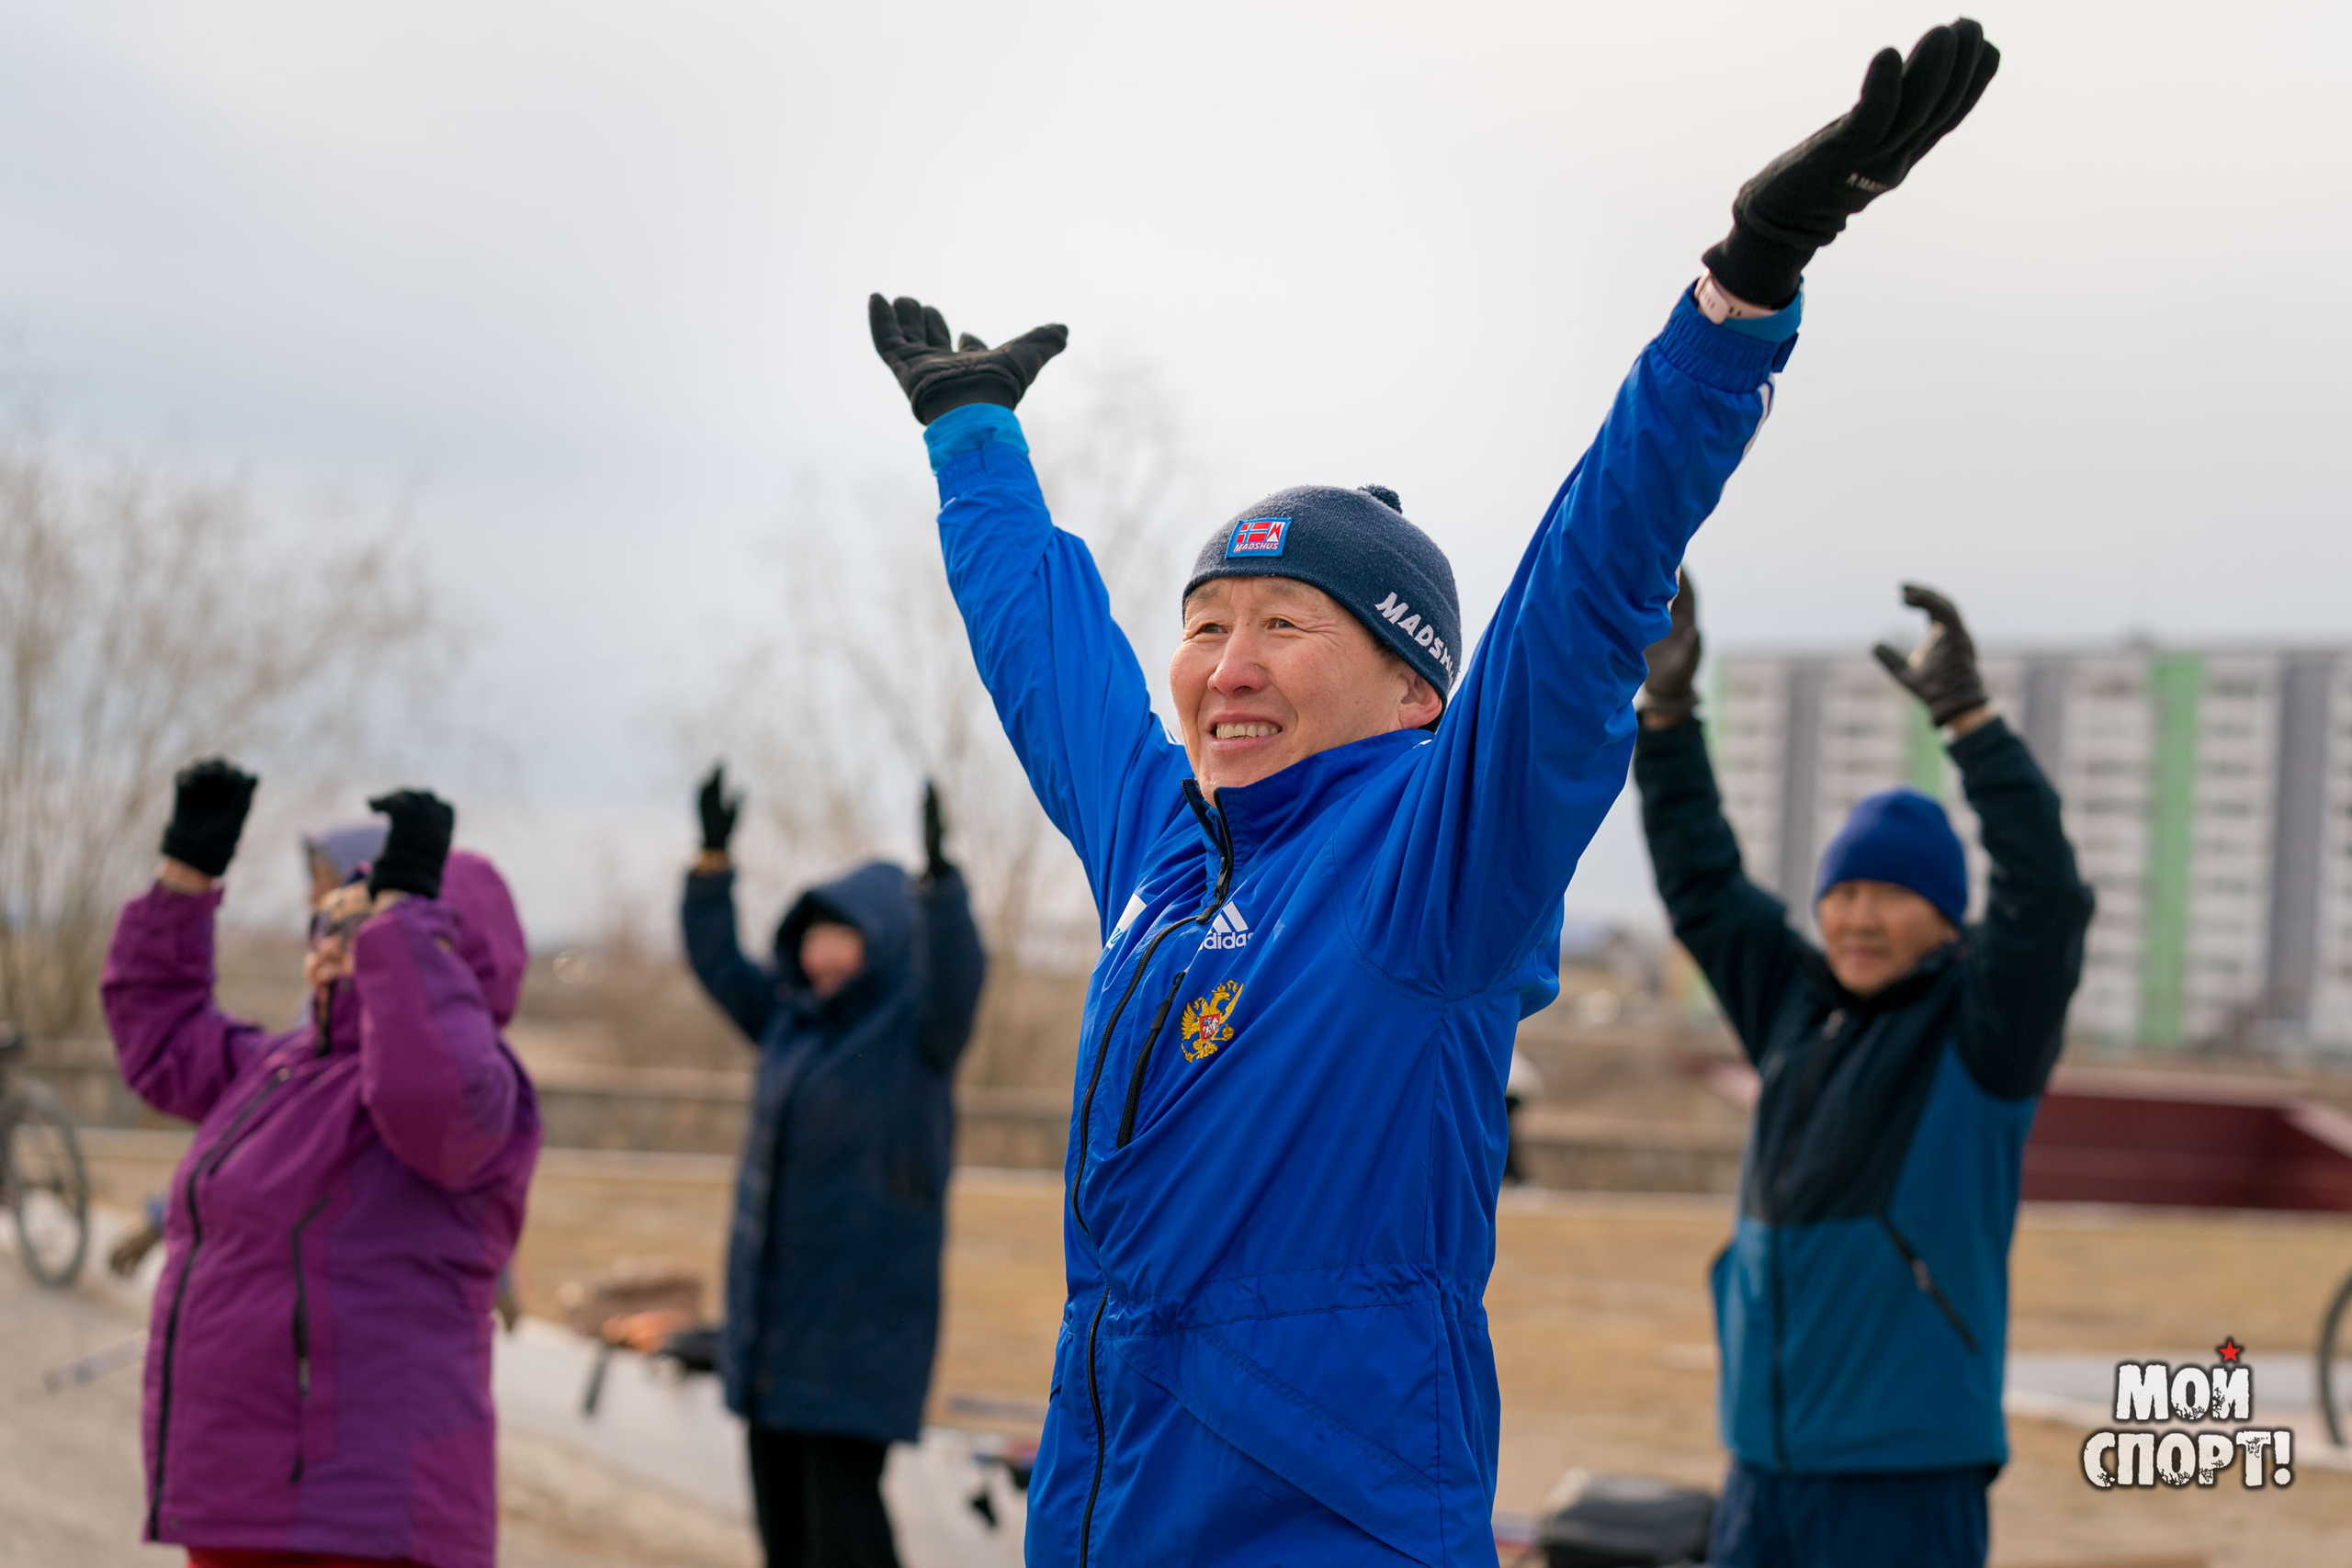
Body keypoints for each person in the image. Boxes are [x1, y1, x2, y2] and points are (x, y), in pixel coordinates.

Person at [865, 19, 2001, 1562]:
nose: (1227, 665)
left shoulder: (1433, 866)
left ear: (1414, 690)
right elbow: (1054, 671)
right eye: (1204, 627)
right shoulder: (1170, 859)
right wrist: (975, 441)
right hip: (1108, 1495)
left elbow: (1585, 588)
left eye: (1283, 627)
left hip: (1319, 1515)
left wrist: (1737, 297)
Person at [1633, 576, 2094, 1567]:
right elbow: (1704, 886)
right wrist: (1667, 715)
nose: (1856, 918)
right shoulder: (1798, 1012)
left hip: (1904, 1481)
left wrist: (1968, 723)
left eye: (1889, 895)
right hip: (1761, 1470)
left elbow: (2047, 901)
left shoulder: (1982, 1030)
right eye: (1841, 894)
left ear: (1944, 917)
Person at [101, 761, 540, 1568]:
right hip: (237, 1490)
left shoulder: (470, 1093)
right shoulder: (278, 1069)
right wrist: (187, 877)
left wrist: (401, 921)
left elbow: (427, 1082)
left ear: (441, 947)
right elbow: (161, 1037)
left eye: (359, 927)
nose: (330, 947)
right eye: (327, 925)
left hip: (361, 1513)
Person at [681, 770, 985, 1568]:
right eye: (810, 934)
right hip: (775, 1329)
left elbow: (957, 980)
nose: (818, 952)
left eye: (838, 934)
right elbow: (719, 967)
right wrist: (712, 866)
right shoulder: (788, 1021)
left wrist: (940, 887)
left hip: (857, 1334)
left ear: (881, 936)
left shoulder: (915, 1035)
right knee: (784, 1536)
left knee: (844, 1537)